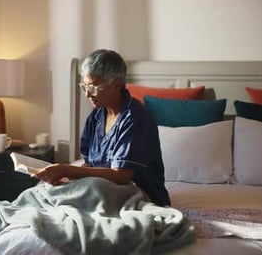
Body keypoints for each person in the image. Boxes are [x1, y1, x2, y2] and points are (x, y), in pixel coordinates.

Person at [34, 49, 170, 207]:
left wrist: (68, 170)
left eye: (93, 88)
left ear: (117, 85)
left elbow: (122, 176)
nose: (87, 94)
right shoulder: (96, 116)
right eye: (84, 87)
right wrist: (65, 178)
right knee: (45, 188)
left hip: (139, 193)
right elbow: (89, 165)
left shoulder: (135, 117)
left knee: (93, 188)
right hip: (104, 188)